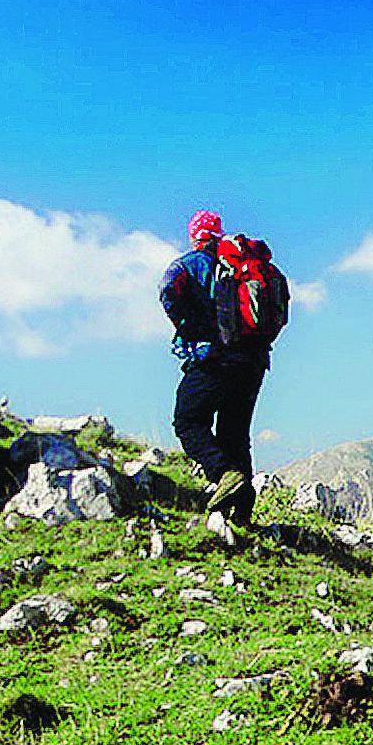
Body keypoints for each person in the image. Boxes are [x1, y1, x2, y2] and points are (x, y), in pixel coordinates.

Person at [159, 209, 288, 529]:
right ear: (218, 233)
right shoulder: (248, 267)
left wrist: (189, 327)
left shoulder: (188, 265)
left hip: (212, 360)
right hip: (254, 362)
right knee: (235, 433)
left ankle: (223, 474)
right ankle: (242, 512)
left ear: (193, 235)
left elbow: (168, 293)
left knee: (188, 421)